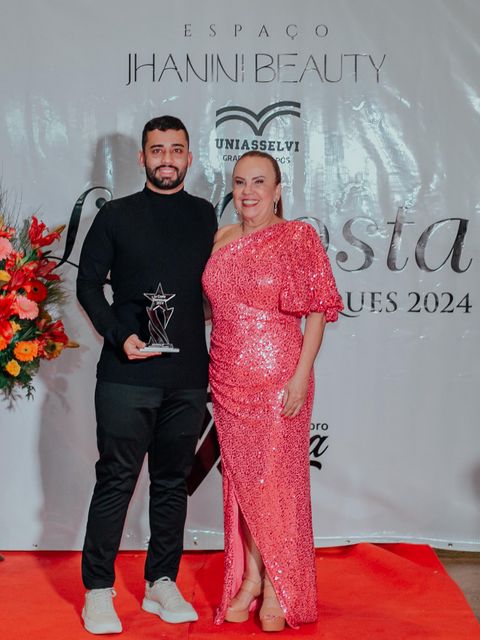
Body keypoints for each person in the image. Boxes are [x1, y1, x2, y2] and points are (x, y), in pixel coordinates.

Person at [77, 116, 217, 634]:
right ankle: (97, 590)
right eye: (157, 150)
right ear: (141, 158)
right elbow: (88, 286)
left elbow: (215, 288)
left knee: (172, 483)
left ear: (189, 158)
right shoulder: (115, 215)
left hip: (187, 376)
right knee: (116, 480)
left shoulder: (204, 215)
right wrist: (120, 336)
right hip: (125, 376)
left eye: (176, 150)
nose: (167, 159)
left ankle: (161, 581)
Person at [202, 151, 343, 632]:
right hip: (227, 377)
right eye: (240, 182)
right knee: (242, 485)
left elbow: (318, 311)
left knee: (276, 485)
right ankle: (251, 578)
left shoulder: (297, 237)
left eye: (259, 182)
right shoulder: (221, 239)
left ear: (278, 190)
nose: (248, 192)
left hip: (279, 378)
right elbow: (215, 306)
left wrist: (302, 375)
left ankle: (279, 585)